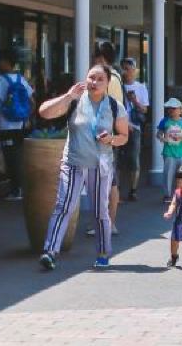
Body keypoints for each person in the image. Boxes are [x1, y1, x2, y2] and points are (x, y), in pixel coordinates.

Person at [37, 64, 129, 270]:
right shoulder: (75, 101)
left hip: (100, 166)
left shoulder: (115, 106)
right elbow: (44, 112)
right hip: (73, 163)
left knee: (100, 210)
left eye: (100, 79)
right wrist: (68, 96)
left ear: (108, 83)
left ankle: (103, 253)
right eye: (91, 77)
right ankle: (50, 252)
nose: (94, 82)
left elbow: (124, 136)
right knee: (63, 206)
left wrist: (111, 139)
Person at [0, 49, 35, 200]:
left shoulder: (1, 80)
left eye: (1, 60)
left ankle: (16, 190)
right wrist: (26, 117)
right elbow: (32, 102)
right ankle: (18, 188)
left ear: (6, 62)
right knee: (17, 155)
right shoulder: (21, 80)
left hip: (5, 126)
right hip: (19, 125)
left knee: (10, 157)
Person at [88, 44, 126, 237]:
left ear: (102, 58)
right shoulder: (113, 77)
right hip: (106, 136)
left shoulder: (110, 79)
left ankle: (108, 223)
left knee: (109, 182)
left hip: (106, 137)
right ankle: (106, 222)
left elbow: (112, 108)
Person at [119, 58, 149, 201]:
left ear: (134, 70)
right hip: (119, 126)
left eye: (128, 69)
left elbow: (145, 110)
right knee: (118, 160)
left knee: (133, 158)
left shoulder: (141, 87)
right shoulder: (118, 86)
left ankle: (133, 190)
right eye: (123, 69)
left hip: (135, 127)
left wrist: (135, 101)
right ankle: (116, 189)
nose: (126, 72)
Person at [157, 98, 182, 200]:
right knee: (168, 175)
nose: (171, 110)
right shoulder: (165, 121)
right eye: (169, 108)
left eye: (173, 108)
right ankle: (167, 195)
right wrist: (162, 138)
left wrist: (181, 137)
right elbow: (159, 133)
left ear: (180, 110)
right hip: (169, 152)